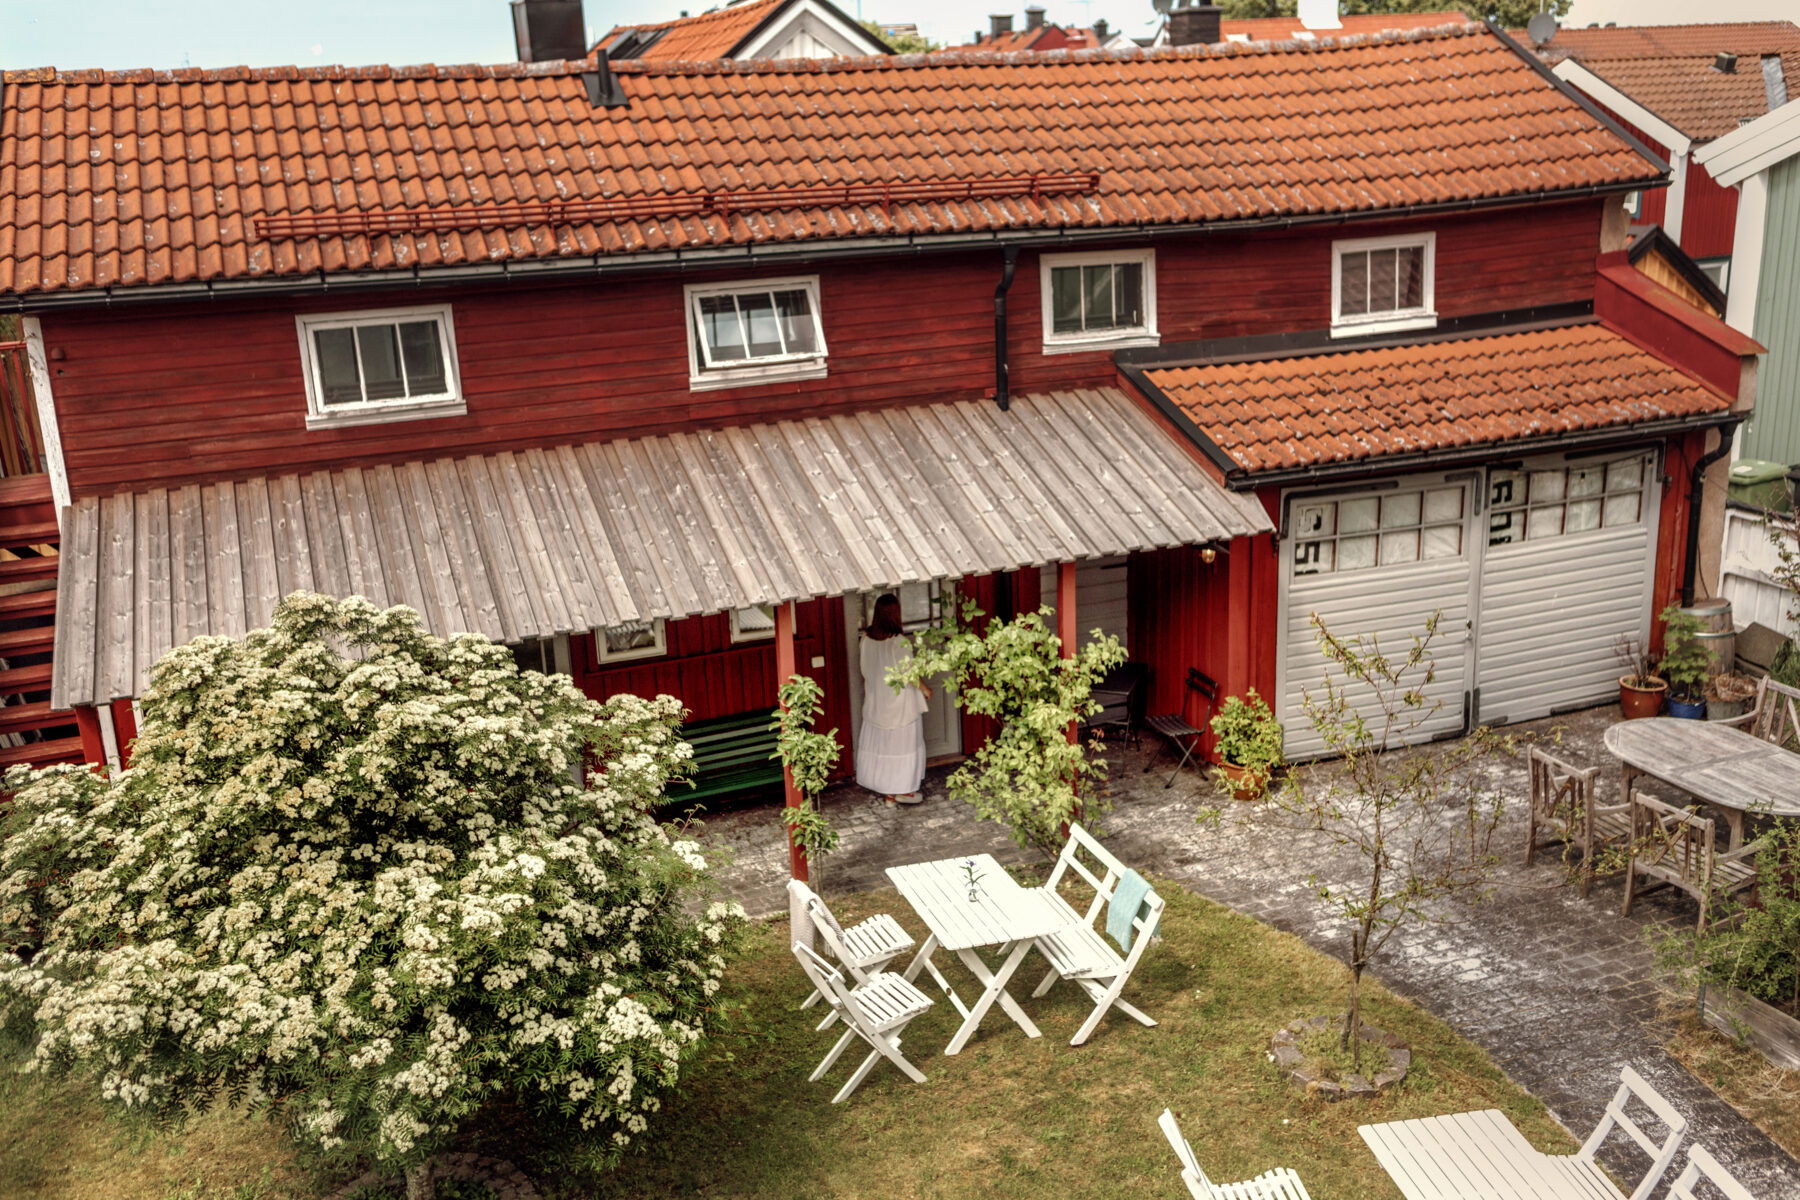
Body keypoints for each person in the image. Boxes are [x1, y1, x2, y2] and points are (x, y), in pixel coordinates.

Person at [855, 593, 931, 805]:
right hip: (900, 703)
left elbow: (865, 670)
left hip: (877, 700)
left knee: (885, 747)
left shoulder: (866, 640)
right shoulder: (899, 642)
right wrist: (925, 689)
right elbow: (909, 674)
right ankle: (903, 791)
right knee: (904, 747)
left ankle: (889, 793)